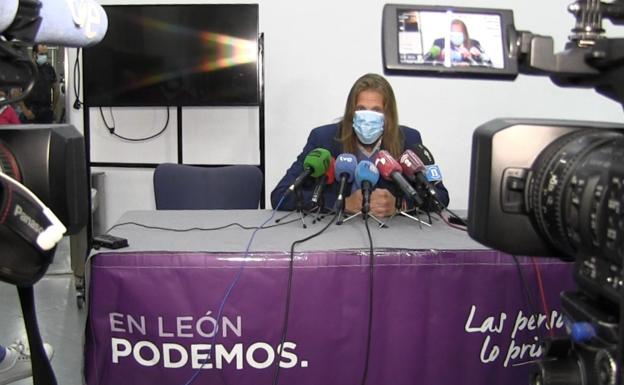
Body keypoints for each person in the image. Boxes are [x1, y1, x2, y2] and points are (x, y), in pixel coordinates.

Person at [270, 73, 449, 217]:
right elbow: (281, 195)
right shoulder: (323, 139)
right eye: (361, 109)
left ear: (388, 115)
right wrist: (342, 203)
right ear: (351, 112)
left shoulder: (408, 140)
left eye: (376, 111)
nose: (368, 117)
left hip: (391, 238)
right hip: (336, 237)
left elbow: (440, 197)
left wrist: (399, 204)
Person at [426, 19, 491, 66]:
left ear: (465, 33)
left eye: (459, 32)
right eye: (453, 32)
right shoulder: (439, 43)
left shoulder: (474, 44)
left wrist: (472, 57)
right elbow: (426, 62)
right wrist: (439, 57)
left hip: (468, 77)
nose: (456, 35)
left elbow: (489, 65)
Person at [23, 44, 58, 124]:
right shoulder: (26, 69)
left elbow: (56, 90)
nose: (44, 57)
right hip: (30, 111)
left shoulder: (49, 69)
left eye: (46, 54)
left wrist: (53, 109)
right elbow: (15, 91)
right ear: (34, 54)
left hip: (46, 111)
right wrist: (25, 111)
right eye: (42, 54)